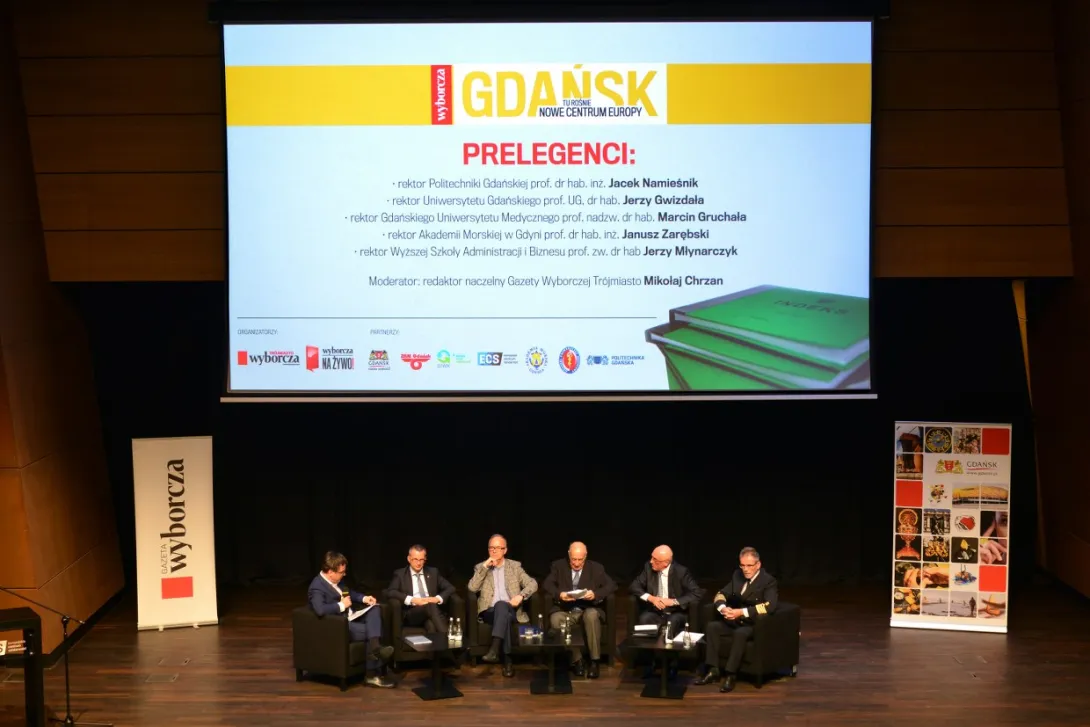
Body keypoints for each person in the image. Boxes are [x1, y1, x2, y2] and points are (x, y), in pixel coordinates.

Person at [307, 551, 395, 688]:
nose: (344, 574)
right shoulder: (317, 587)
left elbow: (349, 593)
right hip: (339, 625)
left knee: (375, 609)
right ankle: (371, 674)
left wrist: (364, 598)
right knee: (374, 630)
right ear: (330, 572)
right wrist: (341, 605)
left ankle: (375, 648)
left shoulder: (337, 581)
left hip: (351, 617)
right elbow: (320, 610)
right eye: (341, 572)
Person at [696, 546, 778, 693]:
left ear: (758, 564)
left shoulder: (768, 581)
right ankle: (713, 670)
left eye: (749, 565)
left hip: (752, 623)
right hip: (735, 619)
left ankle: (730, 674)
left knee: (740, 634)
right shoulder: (737, 575)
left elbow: (769, 606)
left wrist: (741, 612)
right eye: (742, 565)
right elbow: (721, 593)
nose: (745, 569)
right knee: (712, 627)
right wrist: (723, 608)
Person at [541, 541, 617, 678]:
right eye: (573, 559)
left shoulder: (596, 568)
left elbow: (611, 585)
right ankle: (577, 660)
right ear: (569, 555)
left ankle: (594, 661)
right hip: (566, 609)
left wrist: (595, 594)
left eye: (580, 560)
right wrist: (560, 594)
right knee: (555, 619)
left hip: (588, 608)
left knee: (591, 615)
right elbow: (547, 584)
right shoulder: (558, 566)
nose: (576, 563)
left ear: (585, 556)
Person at [467, 533, 538, 677]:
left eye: (497, 548)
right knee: (501, 607)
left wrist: (521, 596)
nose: (494, 551)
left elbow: (533, 583)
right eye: (491, 548)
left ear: (505, 550)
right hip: (489, 612)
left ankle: (495, 651)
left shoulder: (515, 567)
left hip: (512, 610)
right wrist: (485, 567)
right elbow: (472, 588)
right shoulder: (481, 567)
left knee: (503, 609)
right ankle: (507, 661)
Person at [629, 545, 704, 677]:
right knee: (645, 619)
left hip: (676, 612)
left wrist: (673, 601)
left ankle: (671, 664)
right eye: (651, 557)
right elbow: (634, 586)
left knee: (673, 622)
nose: (651, 561)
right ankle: (649, 663)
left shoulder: (681, 572)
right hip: (656, 611)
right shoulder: (648, 568)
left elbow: (697, 593)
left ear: (665, 563)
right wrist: (651, 598)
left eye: (655, 559)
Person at [383, 544, 455, 634]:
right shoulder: (400, 574)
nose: (418, 563)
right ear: (409, 559)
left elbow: (450, 588)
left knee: (431, 625)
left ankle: (440, 642)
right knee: (430, 605)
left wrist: (437, 598)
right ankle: (448, 636)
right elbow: (390, 591)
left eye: (421, 559)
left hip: (431, 613)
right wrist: (412, 599)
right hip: (412, 613)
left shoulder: (433, 572)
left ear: (425, 559)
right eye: (415, 559)